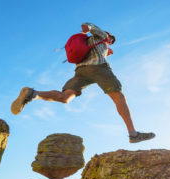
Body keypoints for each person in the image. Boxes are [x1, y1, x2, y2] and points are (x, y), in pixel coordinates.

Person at [11, 22, 155, 143]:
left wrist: (105, 52)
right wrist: (88, 27)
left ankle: (33, 94)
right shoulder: (103, 36)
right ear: (108, 36)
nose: (110, 42)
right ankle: (133, 134)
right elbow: (91, 26)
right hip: (99, 69)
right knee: (119, 97)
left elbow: (92, 52)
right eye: (111, 40)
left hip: (81, 71)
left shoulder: (88, 42)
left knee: (65, 97)